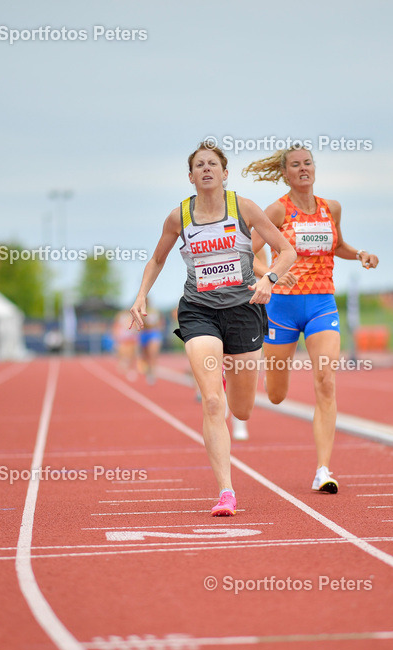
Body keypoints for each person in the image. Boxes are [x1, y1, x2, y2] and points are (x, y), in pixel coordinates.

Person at [130, 141, 296, 516]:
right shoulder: (179, 217)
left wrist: (269, 279)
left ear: (224, 173)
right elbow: (157, 259)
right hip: (198, 310)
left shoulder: (244, 208)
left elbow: (287, 251)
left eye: (212, 164)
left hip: (243, 310)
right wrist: (141, 296)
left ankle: (227, 372)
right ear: (190, 177)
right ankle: (226, 491)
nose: (206, 169)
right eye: (199, 165)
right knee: (212, 402)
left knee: (242, 409)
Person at [242, 146, 379, 493]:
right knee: (276, 395)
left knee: (325, 380)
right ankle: (269, 376)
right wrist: (271, 273)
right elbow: (247, 253)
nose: (303, 169)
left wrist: (360, 254)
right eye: (296, 165)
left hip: (322, 304)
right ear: (285, 173)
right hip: (282, 308)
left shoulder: (331, 208)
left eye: (307, 163)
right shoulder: (277, 210)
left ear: (314, 169)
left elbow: (338, 246)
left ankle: (323, 470)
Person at [137, 305, 164, 385]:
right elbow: (140, 323)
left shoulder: (154, 311)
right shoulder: (141, 312)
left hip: (153, 333)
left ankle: (152, 373)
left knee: (153, 354)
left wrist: (158, 326)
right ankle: (148, 371)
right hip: (144, 333)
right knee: (145, 356)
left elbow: (160, 322)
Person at [112, 310, 139, 380]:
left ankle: (130, 368)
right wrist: (116, 336)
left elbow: (135, 326)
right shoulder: (120, 316)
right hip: (123, 337)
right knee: (123, 353)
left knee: (132, 354)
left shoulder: (133, 317)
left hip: (131, 337)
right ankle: (124, 366)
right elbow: (116, 326)